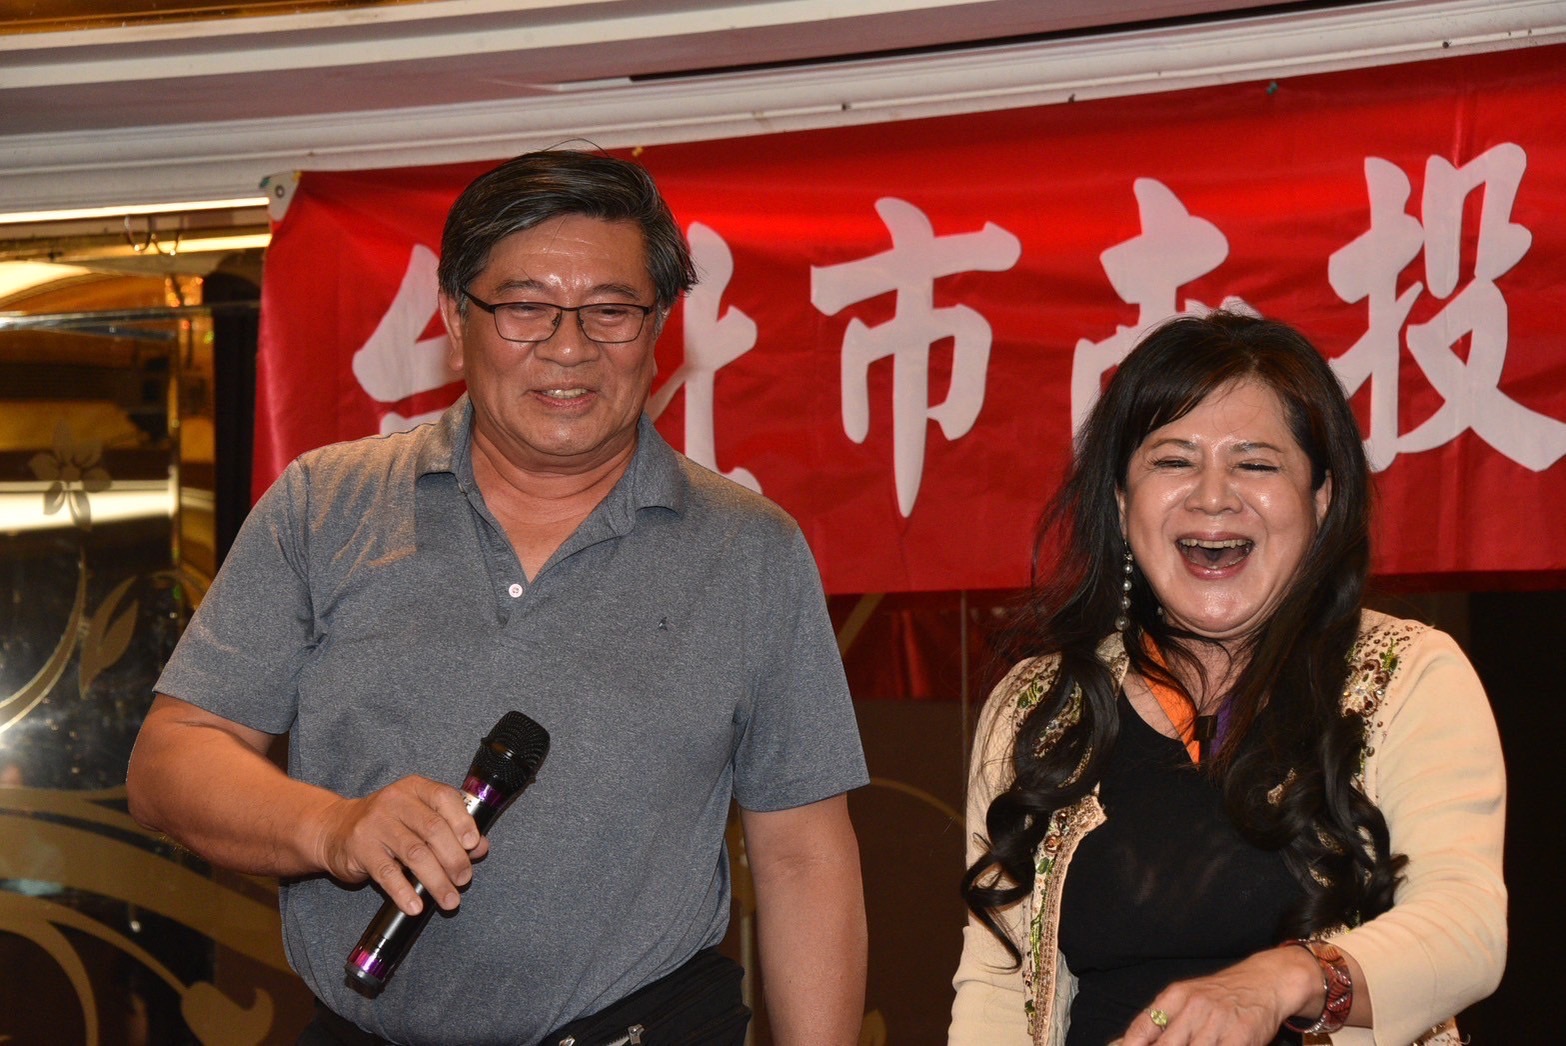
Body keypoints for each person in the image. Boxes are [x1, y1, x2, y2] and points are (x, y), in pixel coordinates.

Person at [126, 150, 869, 1046]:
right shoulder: (326, 505)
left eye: (611, 310)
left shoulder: (749, 550)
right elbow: (173, 760)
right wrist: (334, 827)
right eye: (525, 308)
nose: (569, 347)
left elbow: (803, 858)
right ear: (455, 316)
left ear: (661, 324)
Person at [948, 311, 1505, 1046]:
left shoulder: (1408, 675)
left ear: (1321, 499)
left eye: (1256, 464)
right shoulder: (1038, 706)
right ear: (1121, 500)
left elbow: (1466, 929)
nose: (1213, 497)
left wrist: (1284, 981)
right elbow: (995, 985)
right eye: (1173, 461)